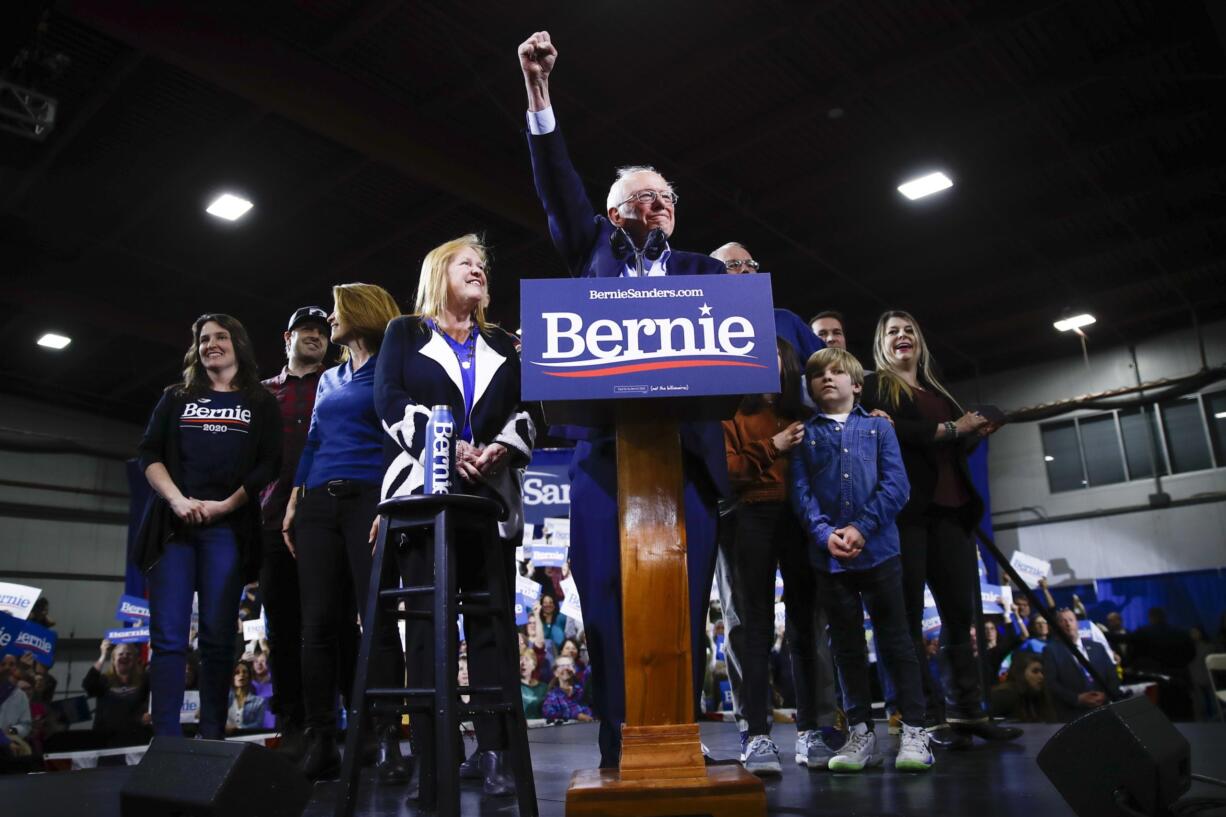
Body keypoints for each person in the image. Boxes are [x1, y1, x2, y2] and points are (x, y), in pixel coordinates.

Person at [519, 30, 731, 769]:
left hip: (687, 466)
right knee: (607, 609)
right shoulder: (590, 252)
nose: (661, 204)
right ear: (614, 215)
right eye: (644, 196)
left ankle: (679, 737)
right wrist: (539, 94)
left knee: (683, 610)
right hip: (601, 464)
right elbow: (557, 182)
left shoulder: (707, 272)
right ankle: (618, 746)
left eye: (668, 196)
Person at [376, 234, 534, 797]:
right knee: (425, 625)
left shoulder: (506, 342)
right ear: (438, 270)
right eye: (467, 262)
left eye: (483, 265)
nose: (479, 270)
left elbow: (528, 410)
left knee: (490, 625)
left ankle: (495, 754)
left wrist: (505, 447)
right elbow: (388, 400)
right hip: (424, 495)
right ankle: (435, 756)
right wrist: (442, 446)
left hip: (487, 499)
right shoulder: (404, 332)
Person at [858, 310, 1020, 749]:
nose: (902, 336)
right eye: (892, 331)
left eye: (909, 329)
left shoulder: (939, 390)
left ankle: (967, 710)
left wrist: (976, 430)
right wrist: (954, 426)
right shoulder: (875, 387)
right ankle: (924, 716)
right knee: (908, 620)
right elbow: (896, 434)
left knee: (959, 619)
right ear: (882, 344)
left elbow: (952, 444)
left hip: (952, 512)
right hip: (907, 515)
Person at [282, 283, 409, 783]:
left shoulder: (392, 369)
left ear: (360, 312)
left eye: (336, 312)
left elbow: (397, 437)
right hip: (316, 504)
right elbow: (313, 440)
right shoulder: (330, 378)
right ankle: (322, 739)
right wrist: (295, 497)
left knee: (375, 619)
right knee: (316, 626)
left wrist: (389, 499)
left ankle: (384, 739)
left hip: (369, 501)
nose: (330, 320)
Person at [136, 313, 282, 740]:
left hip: (227, 529)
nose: (210, 344)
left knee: (219, 639)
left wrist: (224, 506)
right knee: (168, 638)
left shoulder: (259, 401)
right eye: (203, 339)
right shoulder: (176, 397)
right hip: (173, 530)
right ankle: (164, 740)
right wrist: (177, 500)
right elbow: (149, 453)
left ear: (238, 343)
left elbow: (268, 464)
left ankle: (212, 736)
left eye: (220, 337)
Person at [789, 347, 932, 772]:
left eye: (837, 373)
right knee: (846, 646)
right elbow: (799, 492)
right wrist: (823, 533)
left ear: (856, 384)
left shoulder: (878, 429)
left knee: (897, 641)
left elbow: (897, 486)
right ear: (810, 387)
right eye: (818, 375)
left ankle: (915, 732)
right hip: (829, 560)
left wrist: (862, 528)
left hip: (881, 553)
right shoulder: (804, 435)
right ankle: (859, 733)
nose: (827, 379)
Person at [721, 337, 830, 775]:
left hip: (799, 521)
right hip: (749, 517)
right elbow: (726, 473)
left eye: (778, 359)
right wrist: (775, 447)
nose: (769, 366)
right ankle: (757, 734)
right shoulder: (731, 414)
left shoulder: (803, 415)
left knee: (804, 626)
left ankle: (810, 731)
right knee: (754, 628)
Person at [258, 305, 335, 753]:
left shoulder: (338, 385)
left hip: (325, 518)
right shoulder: (262, 393)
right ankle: (292, 723)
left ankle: (332, 722)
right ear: (286, 337)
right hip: (271, 523)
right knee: (282, 628)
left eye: (322, 331)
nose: (315, 335)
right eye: (306, 329)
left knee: (330, 624)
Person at [1044, 608, 1120, 722]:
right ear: (1057, 626)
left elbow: (1113, 676)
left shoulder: (1097, 647)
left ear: (1077, 623)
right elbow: (1051, 683)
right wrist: (1077, 699)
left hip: (1104, 710)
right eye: (1062, 621)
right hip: (1073, 715)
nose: (1068, 624)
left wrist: (1106, 695)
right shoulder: (1051, 650)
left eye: (1071, 620)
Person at [82, 639, 151, 746]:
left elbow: (157, 695)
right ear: (113, 660)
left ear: (135, 659)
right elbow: (88, 684)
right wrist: (103, 655)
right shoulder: (104, 680)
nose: (125, 656)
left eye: (129, 654)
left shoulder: (144, 680)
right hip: (106, 742)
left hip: (135, 740)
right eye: (121, 654)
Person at [988, 652, 1056, 723]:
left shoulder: (1037, 696)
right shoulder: (1005, 695)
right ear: (1020, 673)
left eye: (1042, 672)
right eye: (1035, 671)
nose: (1041, 676)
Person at [542, 657, 592, 722]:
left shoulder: (582, 690)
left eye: (569, 665)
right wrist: (576, 715)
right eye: (562, 666)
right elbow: (547, 713)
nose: (566, 668)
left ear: (574, 669)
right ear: (555, 673)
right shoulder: (552, 696)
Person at [226, 661, 267, 733]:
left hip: (246, 738)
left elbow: (258, 724)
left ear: (249, 676)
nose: (241, 675)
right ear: (233, 677)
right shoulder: (224, 698)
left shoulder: (259, 701)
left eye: (244, 672)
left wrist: (237, 728)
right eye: (237, 672)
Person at [520, 650, 546, 720]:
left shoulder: (543, 687)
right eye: (520, 659)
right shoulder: (512, 686)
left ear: (534, 665)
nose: (523, 663)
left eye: (527, 659)